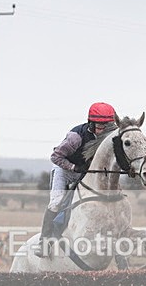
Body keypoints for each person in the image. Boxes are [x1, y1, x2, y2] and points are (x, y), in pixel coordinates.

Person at [35, 102, 117, 257]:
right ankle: (44, 242)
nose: (103, 131)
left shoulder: (109, 136)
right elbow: (55, 157)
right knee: (57, 202)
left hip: (85, 172)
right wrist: (73, 167)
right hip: (64, 170)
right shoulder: (75, 137)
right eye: (100, 126)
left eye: (106, 127)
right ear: (91, 123)